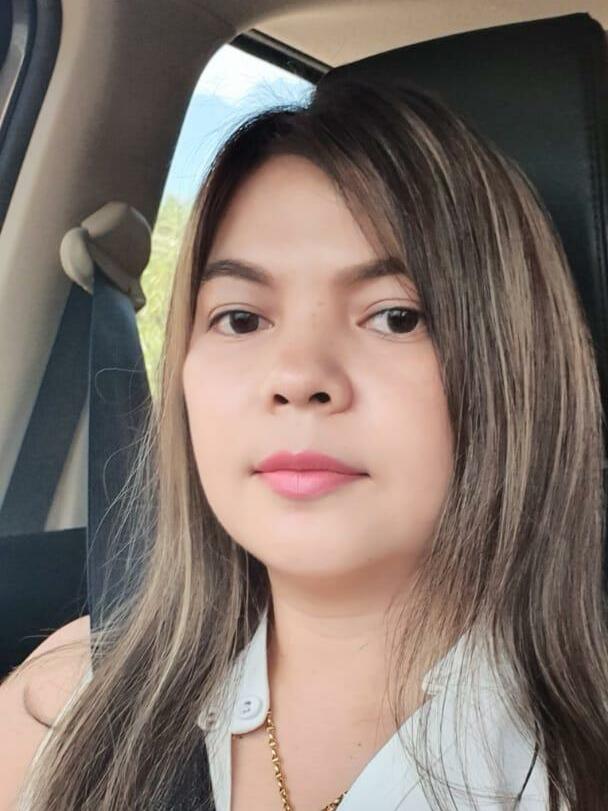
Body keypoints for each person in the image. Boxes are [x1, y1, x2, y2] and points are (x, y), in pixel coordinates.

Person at [4, 75, 608, 811]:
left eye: (395, 316)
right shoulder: (66, 701)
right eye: (240, 318)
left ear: (515, 368)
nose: (297, 377)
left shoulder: (575, 767)